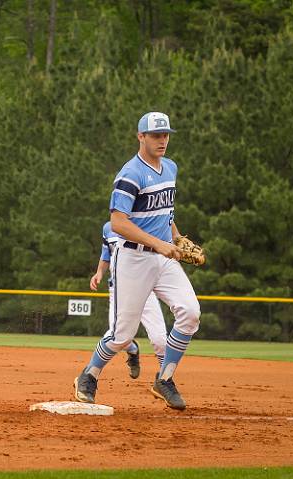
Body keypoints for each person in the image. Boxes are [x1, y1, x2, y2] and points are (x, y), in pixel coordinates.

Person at [74, 112, 200, 410]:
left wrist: (178, 238)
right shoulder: (130, 174)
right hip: (133, 259)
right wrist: (159, 244)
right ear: (140, 136)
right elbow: (118, 223)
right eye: (156, 135)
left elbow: (165, 213)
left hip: (164, 259)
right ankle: (89, 375)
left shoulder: (170, 167)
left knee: (191, 313)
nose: (163, 140)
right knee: (121, 335)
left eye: (166, 134)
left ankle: (164, 379)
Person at [89, 221, 168, 380]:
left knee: (160, 339)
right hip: (119, 289)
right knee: (116, 336)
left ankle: (166, 379)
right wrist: (99, 273)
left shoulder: (146, 225)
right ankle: (132, 349)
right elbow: (106, 254)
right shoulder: (107, 228)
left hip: (144, 287)